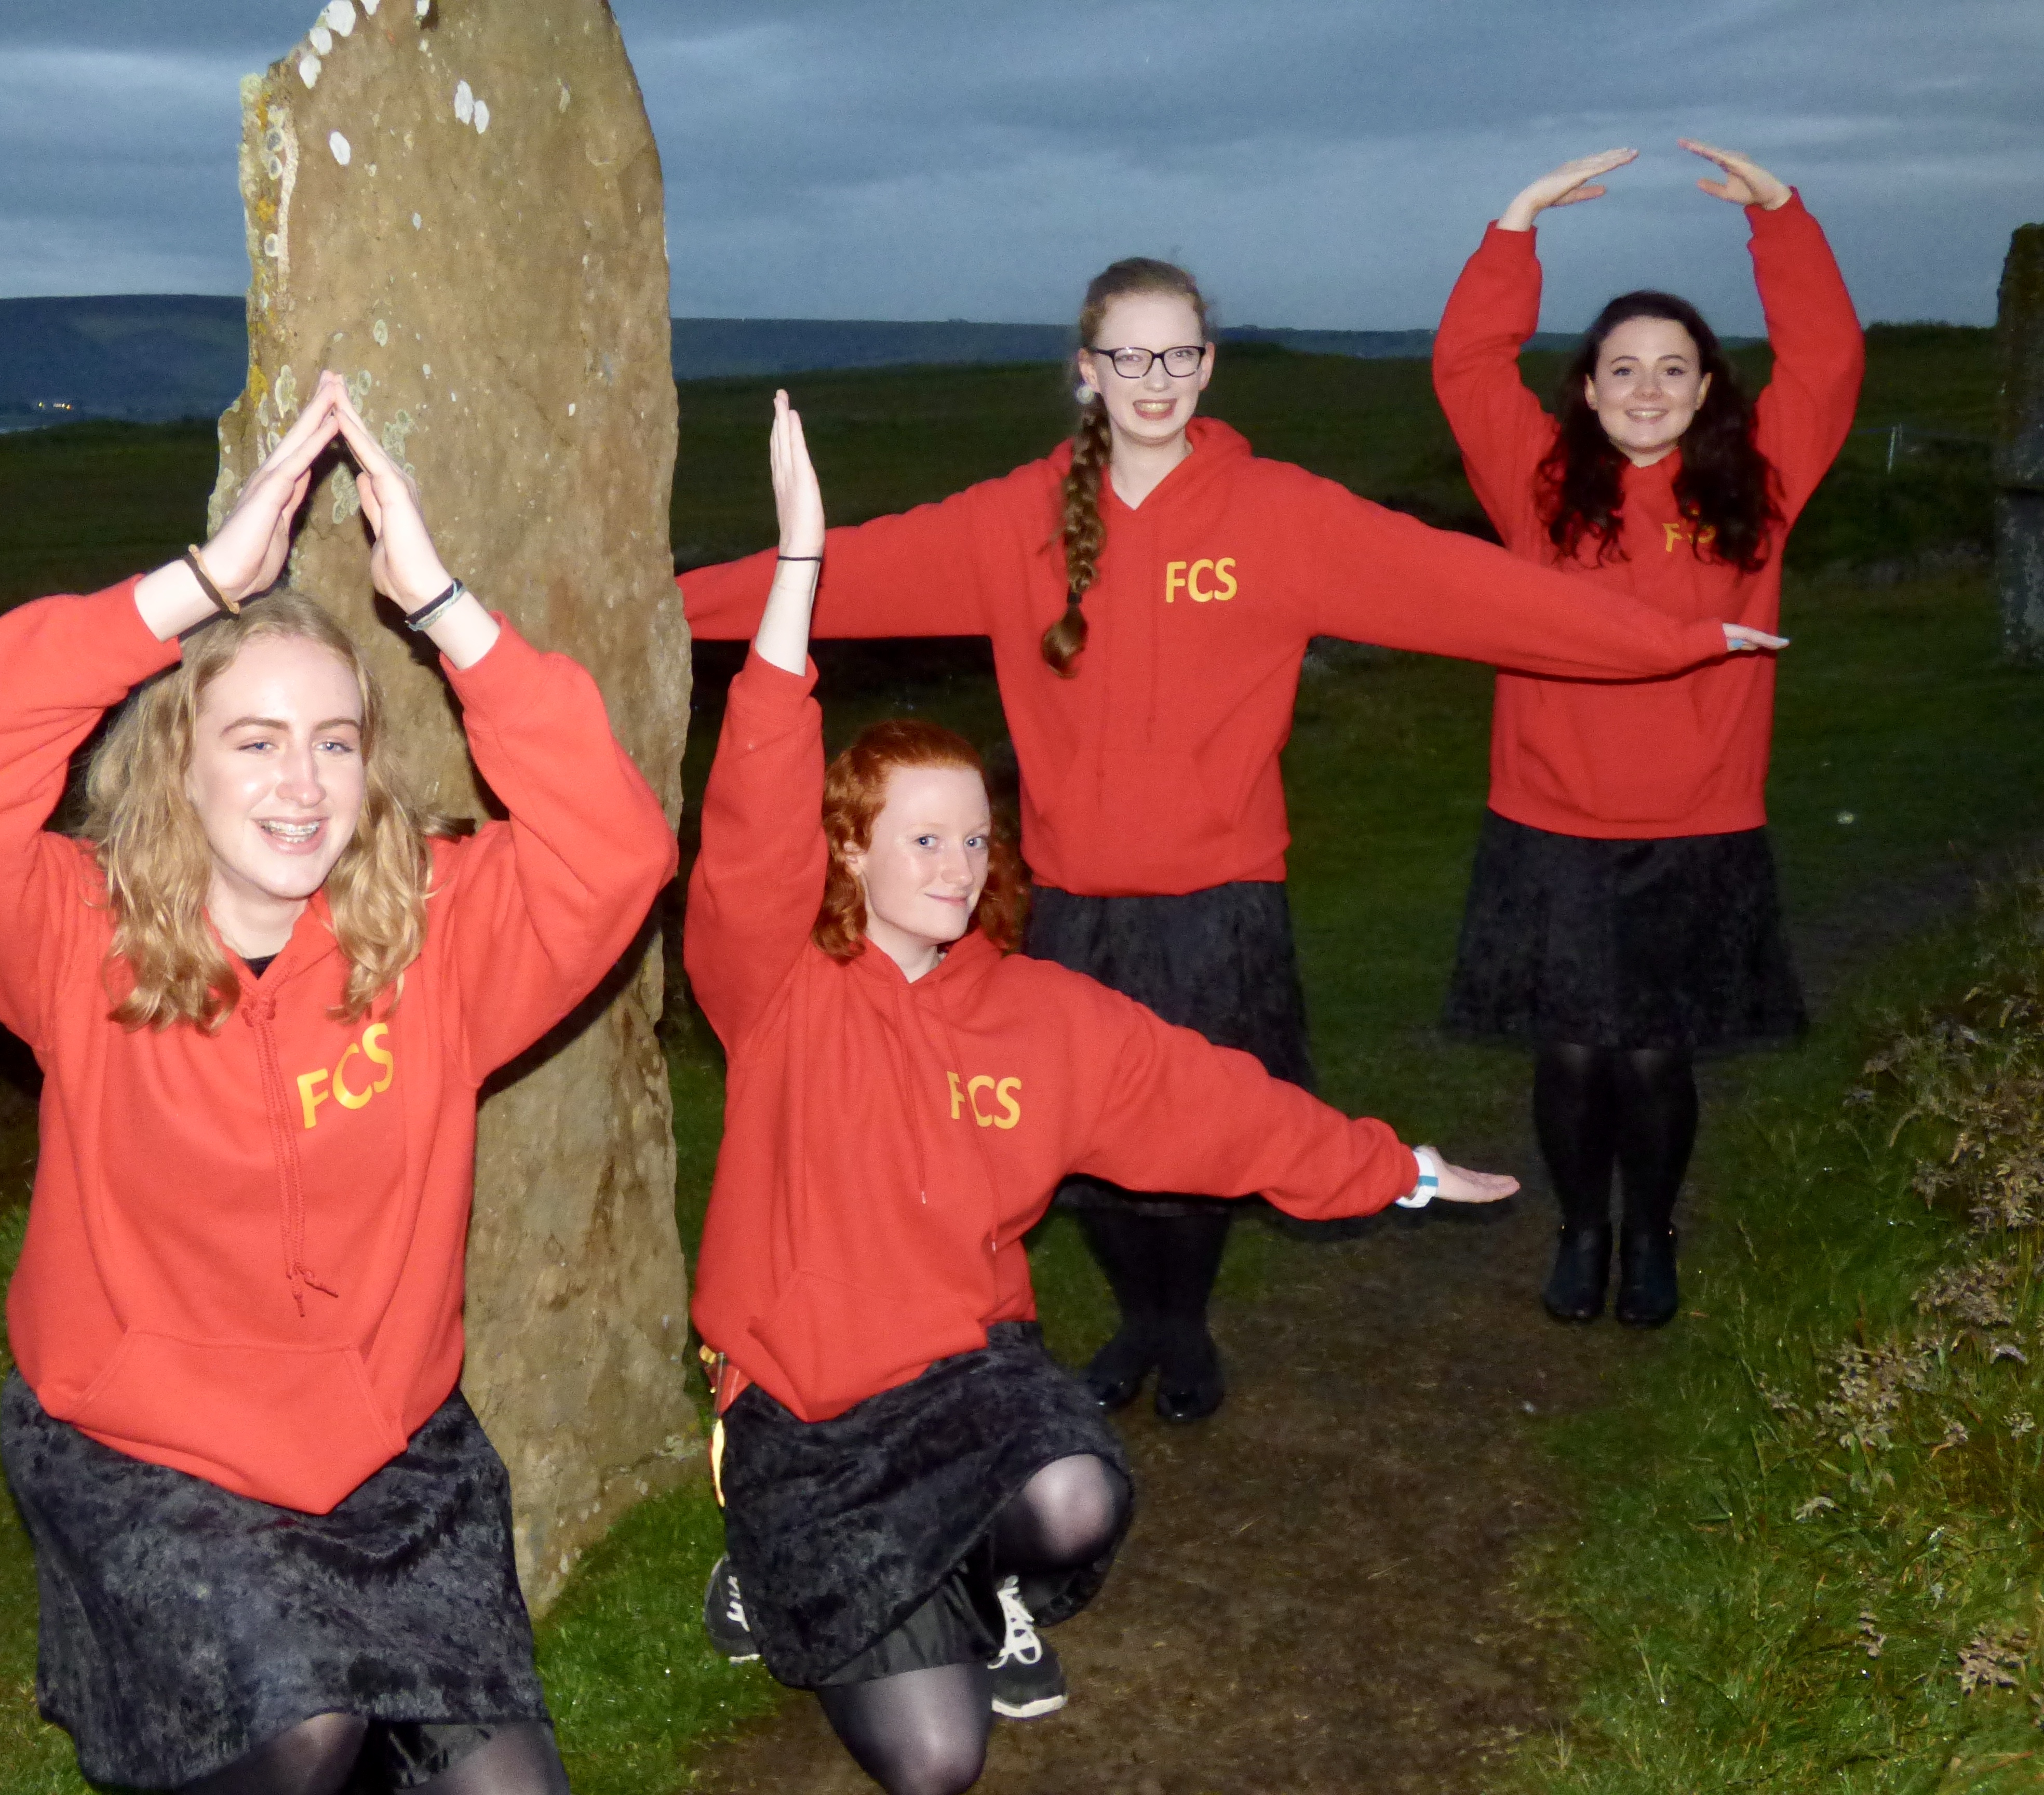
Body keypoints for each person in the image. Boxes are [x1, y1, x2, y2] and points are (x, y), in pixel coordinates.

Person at [678, 265, 1783, 1425]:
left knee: (1204, 1122)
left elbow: (1478, 592)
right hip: (1071, 899)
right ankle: (1140, 1320)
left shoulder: (1279, 515)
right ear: (1088, 372)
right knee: (1083, 1144)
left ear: (1207, 366)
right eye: (1129, 357)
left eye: (1179, 355)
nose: (1154, 379)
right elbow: (839, 571)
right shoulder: (1014, 522)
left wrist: (1675, 639)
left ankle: (1186, 1325)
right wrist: (666, 606)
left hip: (1222, 899)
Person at [685, 393, 1519, 1795]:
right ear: (848, 854)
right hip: (810, 1406)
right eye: (920, 841)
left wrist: (1402, 1170)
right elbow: (753, 808)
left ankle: (974, 1575)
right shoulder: (777, 988)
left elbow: (1217, 1107)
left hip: (969, 1378)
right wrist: (802, 575)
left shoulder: (1039, 1012)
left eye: (974, 838)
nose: (956, 868)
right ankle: (772, 1566)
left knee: (1079, 1495)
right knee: (936, 1764)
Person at [0, 371, 676, 1795]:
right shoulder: (75, 934)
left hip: (385, 1444)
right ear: (179, 768)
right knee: (301, 1740)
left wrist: (444, 610)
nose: (303, 785)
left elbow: (620, 852)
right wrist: (193, 590)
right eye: (255, 741)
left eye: (335, 743)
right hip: (145, 1445)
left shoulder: (439, 931)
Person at [1431, 141, 1863, 1328]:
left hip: (1698, 823)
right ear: (1587, 388)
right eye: (1622, 368)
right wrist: (1516, 225)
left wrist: (1781, 217)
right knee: (1574, 1053)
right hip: (1550, 819)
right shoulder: (1536, 486)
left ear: (1709, 387)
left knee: (1657, 1056)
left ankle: (1652, 1236)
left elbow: (1828, 360)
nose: (1647, 387)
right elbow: (1467, 364)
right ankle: (1582, 1232)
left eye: (1674, 368)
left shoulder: (1758, 485)